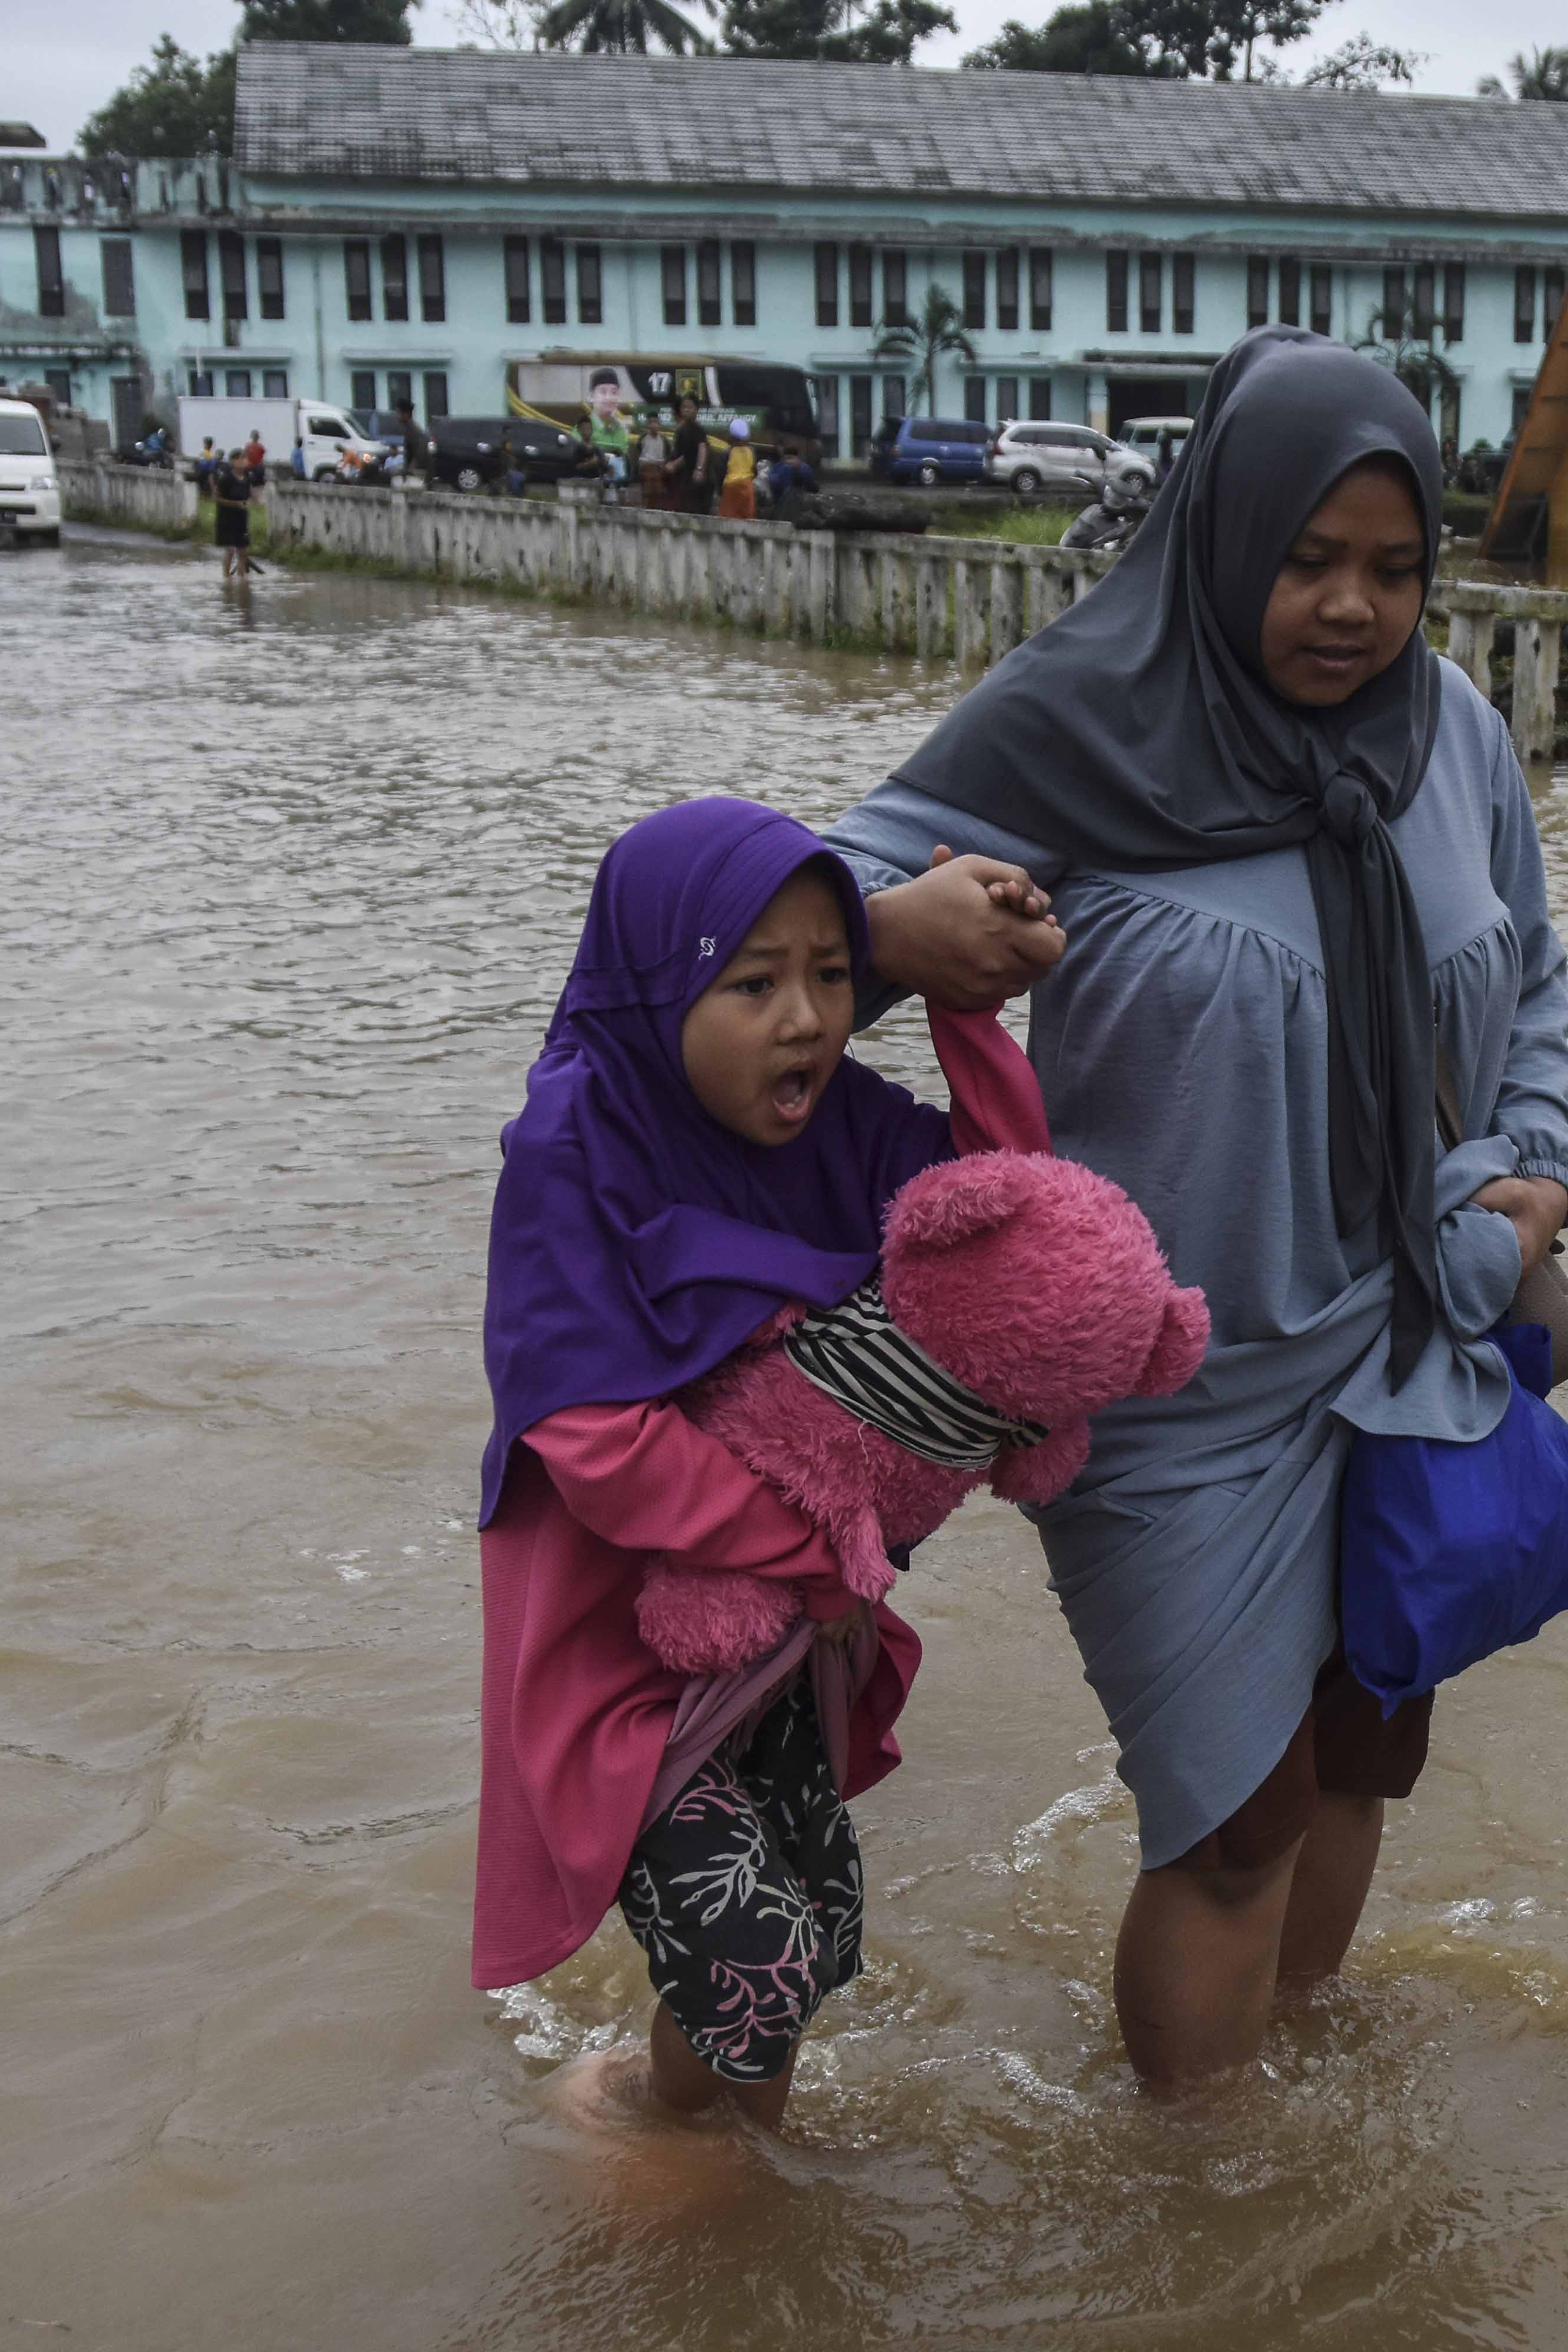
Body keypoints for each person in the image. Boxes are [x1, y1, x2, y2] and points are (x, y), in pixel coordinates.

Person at [829, 328, 1568, 2092]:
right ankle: (1188, 2205)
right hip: (1164, 1389)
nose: (1350, 609)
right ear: (1219, 536)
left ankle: (1283, 2137)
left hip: (1413, 1329)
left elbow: (1533, 975)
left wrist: (1542, 1165)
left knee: (1353, 1755)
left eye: (1394, 571)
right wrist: (893, 939)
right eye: (1307, 561)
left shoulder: (1447, 733)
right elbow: (784, 929)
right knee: (1231, 1819)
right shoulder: (1084, 723)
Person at [472, 800, 1054, 2139]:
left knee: (815, 1927)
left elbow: (1007, 1216)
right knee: (752, 1957)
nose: (805, 1018)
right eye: (752, 982)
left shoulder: (834, 1120)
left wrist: (965, 1008)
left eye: (834, 975)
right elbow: (595, 1441)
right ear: (656, 984)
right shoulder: (577, 1138)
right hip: (625, 1641)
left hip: (791, 1629)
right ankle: (645, 2129)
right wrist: (818, 1547)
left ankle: (713, 2123)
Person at [212, 438, 262, 582]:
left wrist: (253, 502)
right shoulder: (226, 479)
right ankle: (227, 579)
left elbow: (250, 494)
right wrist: (236, 504)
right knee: (230, 550)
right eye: (243, 459)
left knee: (243, 551)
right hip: (227, 518)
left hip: (241, 518)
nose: (247, 462)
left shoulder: (246, 477)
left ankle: (242, 580)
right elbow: (217, 499)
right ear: (234, 461)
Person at [718, 417, 759, 522]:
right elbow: (755, 471)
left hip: (731, 487)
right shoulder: (752, 451)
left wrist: (720, 490)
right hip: (748, 487)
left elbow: (721, 472)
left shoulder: (727, 453)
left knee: (727, 519)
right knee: (747, 519)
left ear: (731, 437)